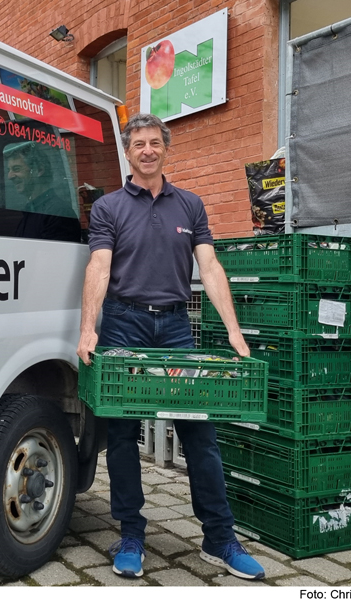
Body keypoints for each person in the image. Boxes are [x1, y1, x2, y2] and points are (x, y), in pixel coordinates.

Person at [76, 113, 265, 581]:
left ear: (165, 148)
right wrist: (88, 327)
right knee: (121, 434)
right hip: (124, 325)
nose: (146, 149)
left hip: (177, 329)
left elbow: (211, 266)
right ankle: (131, 533)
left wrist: (235, 332)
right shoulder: (109, 208)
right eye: (138, 143)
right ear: (129, 151)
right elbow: (99, 267)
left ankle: (219, 539)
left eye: (154, 142)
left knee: (200, 433)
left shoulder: (191, 205)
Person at [4, 142, 81, 242]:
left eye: (16, 169)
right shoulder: (32, 211)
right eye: (9, 170)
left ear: (39, 170)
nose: (10, 176)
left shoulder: (58, 213)